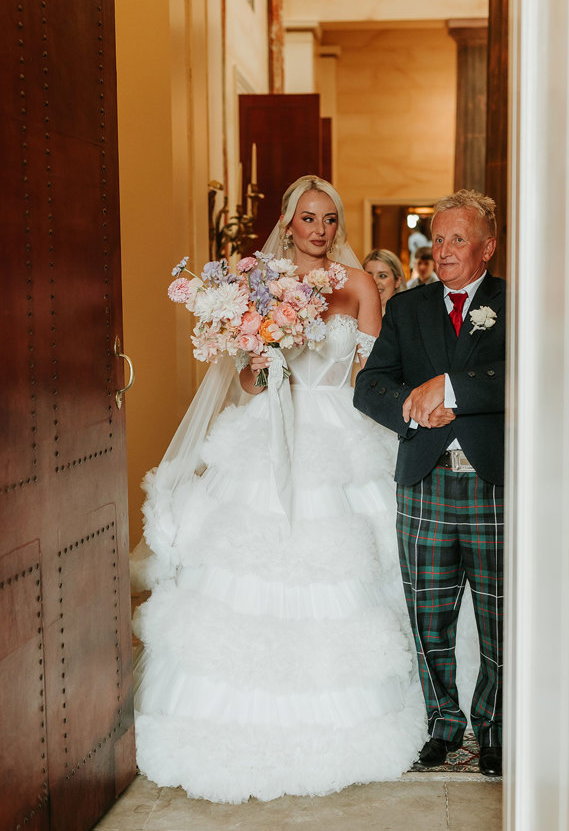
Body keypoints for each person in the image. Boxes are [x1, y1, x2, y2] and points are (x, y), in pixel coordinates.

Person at [133, 175, 433, 804]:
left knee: (349, 557)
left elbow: (373, 374)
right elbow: (243, 382)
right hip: (271, 426)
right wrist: (257, 362)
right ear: (289, 223)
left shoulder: (357, 287)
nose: (320, 230)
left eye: (330, 219)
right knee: (249, 559)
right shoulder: (260, 286)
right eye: (308, 218)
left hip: (339, 429)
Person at [354, 189, 505, 778]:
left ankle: (493, 731)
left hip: (493, 482)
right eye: (437, 238)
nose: (443, 250)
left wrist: (454, 388)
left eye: (457, 239)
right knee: (430, 614)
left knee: (499, 615)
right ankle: (443, 725)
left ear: (487, 247)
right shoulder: (408, 308)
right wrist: (413, 407)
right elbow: (371, 386)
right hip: (425, 481)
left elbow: (529, 374)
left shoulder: (515, 303)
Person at [362, 248, 406, 314]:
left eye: (382, 276)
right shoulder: (356, 313)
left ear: (397, 281)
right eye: (369, 276)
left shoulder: (408, 316)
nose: (374, 281)